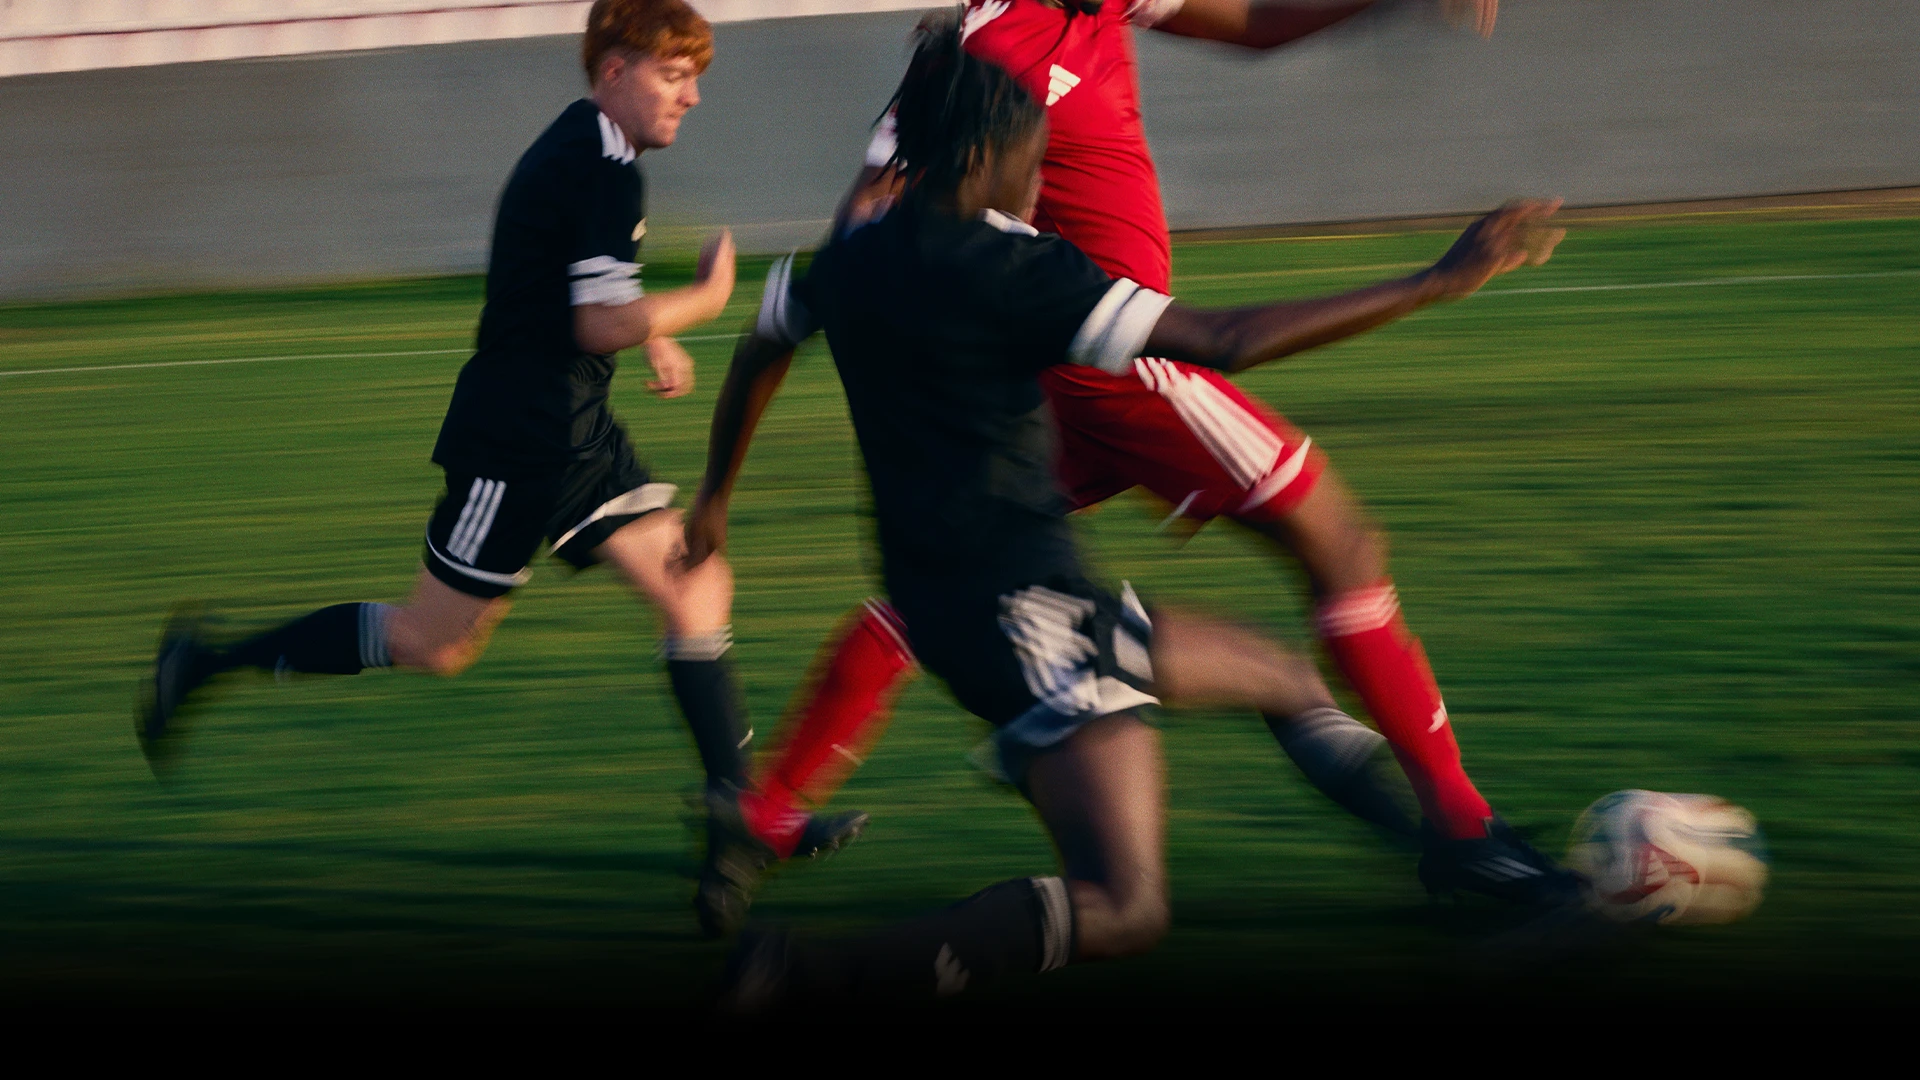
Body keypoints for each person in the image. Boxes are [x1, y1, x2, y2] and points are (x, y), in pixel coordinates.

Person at [689, 17, 1562, 1003]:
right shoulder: (1010, 195)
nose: (1039, 185)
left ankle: (764, 813)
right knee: (1133, 889)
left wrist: (720, 490)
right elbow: (1221, 338)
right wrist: (1435, 282)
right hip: (1114, 377)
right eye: (1032, 164)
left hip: (993, 494)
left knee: (1263, 670)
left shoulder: (862, 261)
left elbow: (784, 317)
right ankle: (1464, 835)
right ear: (991, 158)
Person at [134, 0, 865, 934]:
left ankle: (740, 823)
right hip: (517, 447)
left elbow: (581, 295)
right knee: (432, 644)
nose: (692, 95)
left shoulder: (594, 151)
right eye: (674, 73)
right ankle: (205, 662)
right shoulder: (599, 166)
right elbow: (592, 318)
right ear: (612, 69)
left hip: (572, 430)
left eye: (697, 76)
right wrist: (705, 301)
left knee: (695, 585)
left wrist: (650, 344)